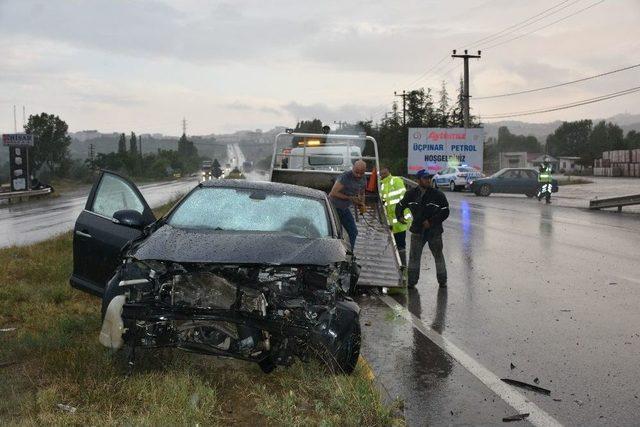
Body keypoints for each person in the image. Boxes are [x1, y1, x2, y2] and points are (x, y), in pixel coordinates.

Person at [396, 169, 449, 288]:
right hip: (417, 230)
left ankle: (442, 280)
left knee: (438, 255)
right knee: (414, 256)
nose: (428, 180)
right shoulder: (411, 194)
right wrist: (399, 216)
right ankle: (411, 282)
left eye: (429, 178)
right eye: (425, 178)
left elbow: (445, 211)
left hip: (434, 231)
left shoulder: (437, 194)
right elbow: (400, 205)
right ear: (418, 180)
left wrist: (431, 222)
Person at [329, 160, 367, 250]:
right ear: (353, 168)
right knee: (335, 232)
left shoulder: (364, 178)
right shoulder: (345, 177)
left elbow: (362, 192)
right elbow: (333, 193)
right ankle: (333, 251)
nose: (358, 175)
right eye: (356, 172)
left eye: (361, 173)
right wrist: (350, 198)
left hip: (344, 208)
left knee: (353, 232)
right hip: (333, 207)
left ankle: (350, 253)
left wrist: (361, 203)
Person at [380, 166, 412, 265]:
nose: (383, 175)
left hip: (400, 219)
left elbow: (403, 199)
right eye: (381, 173)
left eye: (384, 173)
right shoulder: (382, 185)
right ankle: (400, 264)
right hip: (391, 221)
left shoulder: (396, 181)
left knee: (400, 244)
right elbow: (384, 202)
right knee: (395, 245)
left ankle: (403, 265)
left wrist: (400, 214)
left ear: (389, 172)